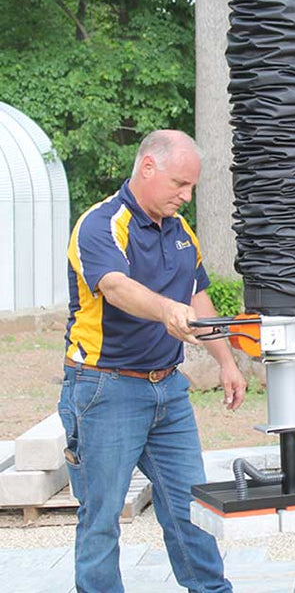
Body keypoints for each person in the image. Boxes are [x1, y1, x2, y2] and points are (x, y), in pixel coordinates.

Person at [59, 129, 247, 592]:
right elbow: (116, 286)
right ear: (148, 167)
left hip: (169, 391)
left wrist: (226, 360)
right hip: (105, 390)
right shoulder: (101, 224)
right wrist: (165, 310)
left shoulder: (180, 231)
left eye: (191, 188)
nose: (186, 196)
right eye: (179, 185)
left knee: (191, 509)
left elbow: (197, 296)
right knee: (101, 517)